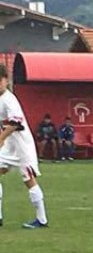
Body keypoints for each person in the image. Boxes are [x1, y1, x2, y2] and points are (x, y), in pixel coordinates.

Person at [0, 65, 50, 229]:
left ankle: (42, 219)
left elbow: (15, 123)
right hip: (9, 145)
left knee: (28, 179)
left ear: (6, 81)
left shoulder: (9, 99)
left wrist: (1, 138)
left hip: (21, 145)